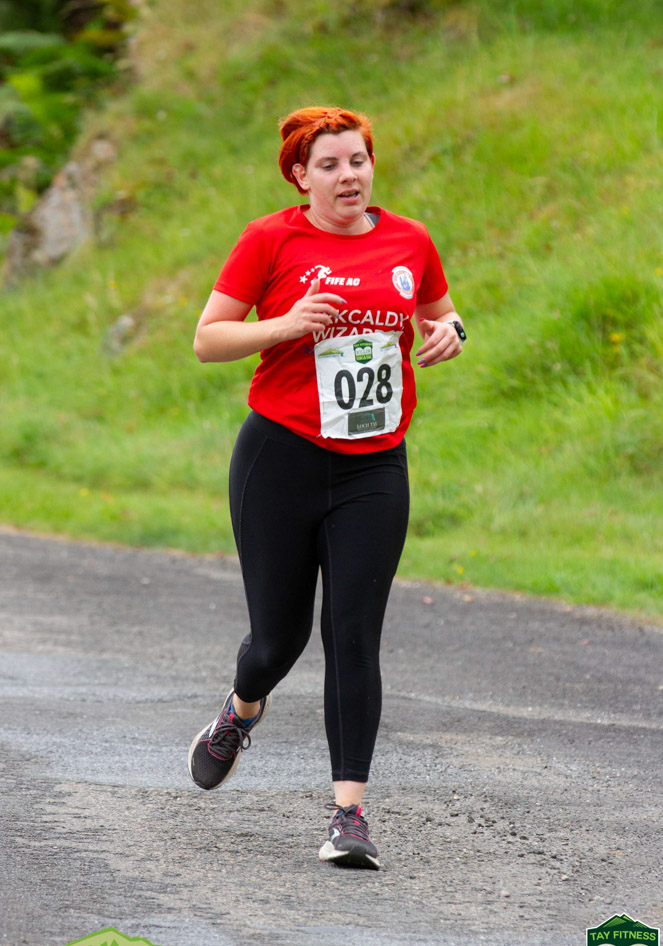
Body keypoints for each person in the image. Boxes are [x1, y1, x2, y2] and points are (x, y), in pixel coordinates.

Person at [188, 106, 465, 870]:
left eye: (358, 161)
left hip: (374, 464)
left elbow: (442, 314)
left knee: (352, 633)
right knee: (277, 643)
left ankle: (349, 816)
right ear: (300, 177)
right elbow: (208, 338)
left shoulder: (409, 241)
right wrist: (285, 324)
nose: (349, 176)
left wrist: (451, 333)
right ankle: (241, 709)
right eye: (331, 165)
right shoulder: (269, 239)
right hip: (280, 457)